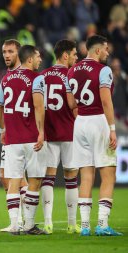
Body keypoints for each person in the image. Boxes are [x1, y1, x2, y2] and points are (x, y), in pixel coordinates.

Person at [67, 35, 122, 236]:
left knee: (86, 176)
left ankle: (85, 227)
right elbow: (107, 102)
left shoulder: (72, 70)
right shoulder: (103, 70)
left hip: (80, 122)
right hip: (99, 121)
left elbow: (71, 103)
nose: (108, 52)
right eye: (106, 49)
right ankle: (102, 224)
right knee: (108, 174)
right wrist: (112, 129)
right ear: (97, 50)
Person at [0, 45, 46, 235]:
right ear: (29, 59)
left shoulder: (6, 79)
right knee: (34, 180)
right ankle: (29, 225)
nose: (40, 60)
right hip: (31, 137)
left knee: (13, 181)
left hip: (12, 139)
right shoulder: (37, 78)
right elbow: (38, 106)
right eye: (38, 57)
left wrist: (3, 130)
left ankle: (14, 225)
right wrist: (41, 132)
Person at [40, 39, 80, 234]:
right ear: (65, 55)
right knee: (71, 177)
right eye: (74, 54)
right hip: (70, 133)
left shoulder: (43, 75)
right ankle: (72, 224)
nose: (76, 58)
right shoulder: (72, 75)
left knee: (48, 178)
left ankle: (48, 223)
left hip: (48, 134)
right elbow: (76, 107)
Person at [0, 39, 28, 232]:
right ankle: (20, 220)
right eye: (4, 52)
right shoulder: (7, 77)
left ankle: (21, 221)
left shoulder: (25, 75)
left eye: (10, 52)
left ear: (19, 54)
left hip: (21, 134)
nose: (6, 55)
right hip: (10, 133)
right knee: (5, 177)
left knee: (14, 176)